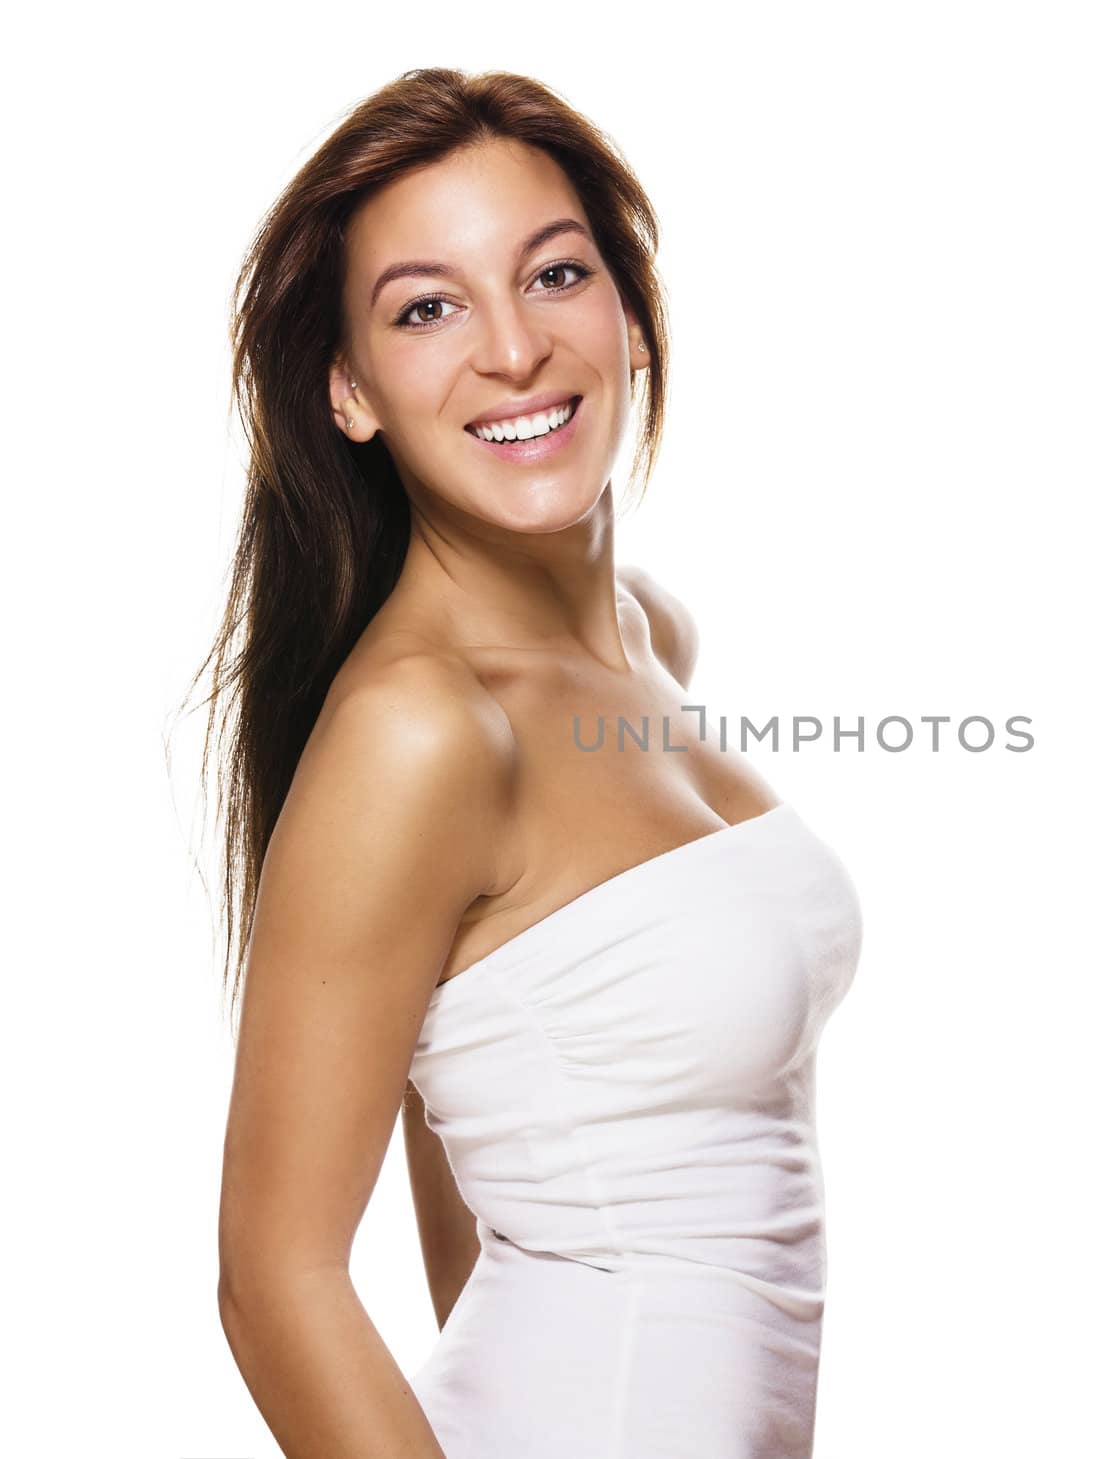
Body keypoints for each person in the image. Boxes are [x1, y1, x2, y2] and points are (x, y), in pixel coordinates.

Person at [201, 67, 863, 1457]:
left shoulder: (644, 639)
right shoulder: (421, 730)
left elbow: (468, 1123)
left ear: (631, 314)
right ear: (350, 388)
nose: (512, 350)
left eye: (553, 275)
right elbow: (276, 1282)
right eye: (426, 308)